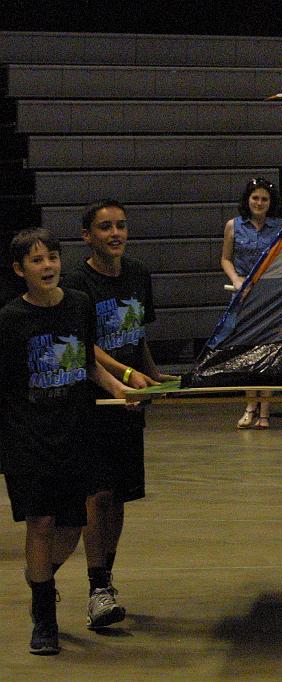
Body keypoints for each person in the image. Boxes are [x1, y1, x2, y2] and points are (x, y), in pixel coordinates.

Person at [0, 228, 129, 654]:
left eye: (52, 257)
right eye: (36, 261)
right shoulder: (10, 320)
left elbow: (87, 360)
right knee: (40, 522)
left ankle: (41, 577)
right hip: (29, 439)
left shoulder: (78, 304)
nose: (48, 266)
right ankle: (45, 618)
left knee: (73, 525)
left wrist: (116, 387)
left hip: (77, 432)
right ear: (20, 270)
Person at [62, 199, 177, 629]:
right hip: (96, 403)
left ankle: (106, 578)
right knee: (100, 493)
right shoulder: (77, 283)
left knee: (121, 496)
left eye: (121, 226)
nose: (116, 234)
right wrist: (125, 374)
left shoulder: (138, 274)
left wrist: (151, 372)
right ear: (87, 236)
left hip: (131, 403)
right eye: (106, 227)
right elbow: (83, 344)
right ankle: (96, 589)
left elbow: (136, 331)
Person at [220, 177, 282, 429]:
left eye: (264, 199)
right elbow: (225, 259)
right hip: (242, 295)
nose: (259, 202)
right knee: (246, 351)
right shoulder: (233, 226)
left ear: (270, 203)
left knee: (267, 352)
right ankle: (249, 407)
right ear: (248, 200)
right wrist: (236, 279)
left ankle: (265, 412)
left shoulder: (281, 227)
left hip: (269, 296)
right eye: (255, 198)